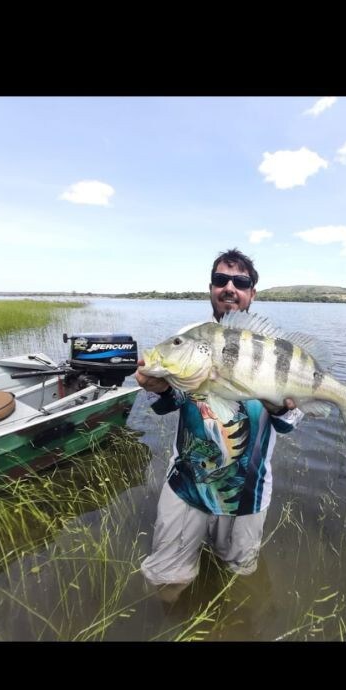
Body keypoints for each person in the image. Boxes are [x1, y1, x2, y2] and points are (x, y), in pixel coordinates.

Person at [135, 247, 304, 601]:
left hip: (248, 489)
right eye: (220, 279)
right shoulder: (189, 338)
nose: (229, 287)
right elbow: (169, 402)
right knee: (167, 580)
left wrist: (279, 406)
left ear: (252, 293)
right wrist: (159, 386)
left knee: (238, 578)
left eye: (240, 281)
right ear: (210, 288)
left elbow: (289, 423)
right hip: (187, 483)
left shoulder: (276, 350)